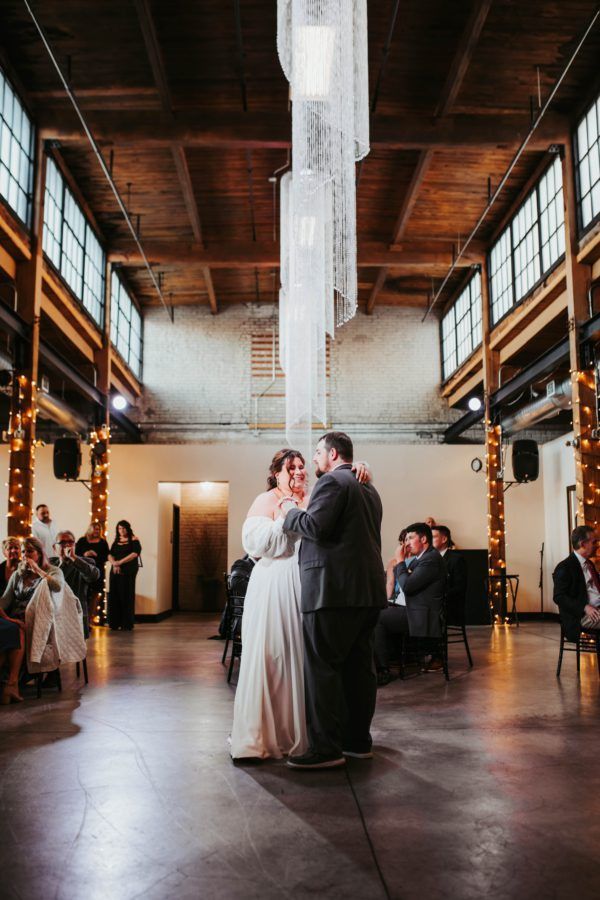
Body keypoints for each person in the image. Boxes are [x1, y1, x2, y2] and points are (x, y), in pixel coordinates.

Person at [230, 450, 370, 761]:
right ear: (276, 473)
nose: (297, 471)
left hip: (311, 586)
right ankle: (266, 732)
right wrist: (286, 519)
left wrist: (360, 466)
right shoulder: (265, 500)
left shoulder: (317, 494)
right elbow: (254, 545)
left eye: (301, 466)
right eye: (290, 467)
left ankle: (312, 735)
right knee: (275, 654)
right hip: (274, 584)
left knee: (308, 657)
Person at [281, 432, 387, 770]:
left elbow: (316, 527)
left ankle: (325, 749)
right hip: (367, 592)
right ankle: (357, 741)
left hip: (332, 592)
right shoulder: (369, 489)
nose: (313, 460)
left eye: (316, 453)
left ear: (333, 453)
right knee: (359, 670)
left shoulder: (332, 483)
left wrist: (289, 511)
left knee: (322, 669)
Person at [375, 522, 446, 685]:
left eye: (410, 538)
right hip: (412, 609)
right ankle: (387, 660)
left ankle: (383, 670)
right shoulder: (421, 559)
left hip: (422, 615)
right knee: (378, 609)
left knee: (377, 617)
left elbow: (407, 586)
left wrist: (400, 560)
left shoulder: (431, 559)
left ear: (423, 539)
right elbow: (404, 579)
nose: (406, 543)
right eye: (405, 539)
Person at [1, 537, 63, 696]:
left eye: (29, 551)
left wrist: (38, 571)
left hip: (40, 618)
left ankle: (12, 682)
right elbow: (5, 601)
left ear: (40, 553)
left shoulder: (53, 571)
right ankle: (8, 682)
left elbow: (57, 587)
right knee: (8, 631)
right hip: (16, 617)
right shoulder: (18, 574)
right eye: (23, 552)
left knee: (16, 631)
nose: (25, 555)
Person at [553, 525, 600, 640]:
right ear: (583, 544)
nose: (596, 545)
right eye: (593, 542)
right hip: (580, 616)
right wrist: (584, 607)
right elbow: (559, 597)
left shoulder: (590, 564)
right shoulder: (564, 567)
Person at [50, 531, 100, 638]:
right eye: (62, 542)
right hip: (54, 614)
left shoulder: (86, 562)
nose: (67, 545)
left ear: (75, 545)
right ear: (54, 548)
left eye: (70, 542)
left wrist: (73, 558)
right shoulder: (49, 563)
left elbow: (93, 576)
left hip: (76, 613)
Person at [107, 521, 141, 631]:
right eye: (119, 528)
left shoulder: (134, 540)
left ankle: (126, 623)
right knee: (114, 595)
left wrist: (120, 562)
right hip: (115, 570)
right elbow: (110, 554)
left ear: (128, 528)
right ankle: (115, 623)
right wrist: (114, 563)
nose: (122, 530)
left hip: (128, 570)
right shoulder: (116, 541)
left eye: (124, 528)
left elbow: (135, 553)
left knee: (126, 595)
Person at [76, 523, 110, 625]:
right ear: (90, 529)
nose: (97, 531)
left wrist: (96, 555)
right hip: (83, 571)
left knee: (95, 595)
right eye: (95, 529)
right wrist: (85, 554)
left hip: (97, 571)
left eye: (99, 529)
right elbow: (76, 554)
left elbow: (106, 556)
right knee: (83, 594)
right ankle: (82, 618)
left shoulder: (103, 542)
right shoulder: (82, 540)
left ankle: (90, 619)